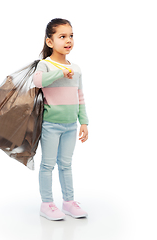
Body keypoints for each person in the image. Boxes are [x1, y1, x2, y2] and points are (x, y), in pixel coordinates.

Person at [33, 18, 89, 221]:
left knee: (66, 164)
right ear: (50, 42)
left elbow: (80, 95)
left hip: (70, 126)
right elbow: (37, 81)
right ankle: (47, 204)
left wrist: (84, 122)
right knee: (48, 165)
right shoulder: (45, 65)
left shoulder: (76, 68)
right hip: (50, 125)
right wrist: (59, 72)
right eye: (62, 36)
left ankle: (68, 202)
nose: (68, 40)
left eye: (71, 36)